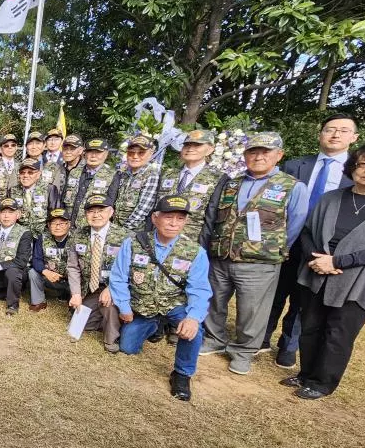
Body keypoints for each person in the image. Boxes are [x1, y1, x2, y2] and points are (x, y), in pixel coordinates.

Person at [202, 132, 308, 375]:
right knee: (214, 301)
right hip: (222, 256)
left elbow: (295, 224)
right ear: (245, 154)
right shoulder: (231, 183)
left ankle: (243, 351)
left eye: (265, 152)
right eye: (253, 151)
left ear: (279, 155)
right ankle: (215, 338)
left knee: (252, 309)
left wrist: (271, 250)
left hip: (259, 263)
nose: (258, 156)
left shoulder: (292, 186)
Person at [282, 142, 365, 400]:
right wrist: (316, 258)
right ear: (352, 167)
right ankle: (305, 374)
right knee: (310, 326)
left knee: (338, 333)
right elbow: (308, 230)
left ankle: (322, 383)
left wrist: (338, 262)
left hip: (357, 281)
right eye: (363, 164)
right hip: (316, 272)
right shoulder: (331, 198)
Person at [264, 113, 359, 368]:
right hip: (285, 239)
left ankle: (288, 345)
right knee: (273, 291)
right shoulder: (295, 166)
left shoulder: (355, 174)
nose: (335, 135)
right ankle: (261, 337)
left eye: (343, 130)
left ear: (354, 137)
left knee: (303, 298)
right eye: (330, 129)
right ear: (320, 134)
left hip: (323, 248)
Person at [110, 195, 213, 401]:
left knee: (194, 330)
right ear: (155, 218)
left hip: (174, 305)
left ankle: (182, 374)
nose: (174, 223)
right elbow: (118, 277)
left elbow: (200, 290)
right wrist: (124, 307)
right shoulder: (134, 243)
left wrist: (193, 317)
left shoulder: (195, 252)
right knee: (127, 347)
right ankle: (156, 326)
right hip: (144, 306)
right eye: (168, 217)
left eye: (180, 219)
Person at [67, 195, 127, 353]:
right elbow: (73, 267)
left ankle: (111, 339)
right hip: (92, 288)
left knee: (108, 304)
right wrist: (76, 294)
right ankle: (106, 316)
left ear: (111, 212)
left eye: (101, 210)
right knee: (80, 325)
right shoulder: (78, 234)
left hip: (116, 286)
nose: (96, 215)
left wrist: (112, 288)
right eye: (91, 211)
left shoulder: (125, 237)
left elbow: (130, 270)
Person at [155, 128, 227, 247]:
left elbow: (212, 218)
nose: (190, 149)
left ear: (210, 149)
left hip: (190, 243)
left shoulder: (218, 178)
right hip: (159, 239)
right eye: (187, 145)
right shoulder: (167, 174)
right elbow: (155, 208)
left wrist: (202, 247)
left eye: (197, 145)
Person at [64, 138, 118, 228]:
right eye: (90, 152)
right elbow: (65, 198)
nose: (93, 156)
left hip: (92, 228)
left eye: (98, 152)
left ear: (106, 154)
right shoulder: (74, 172)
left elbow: (111, 206)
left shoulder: (112, 175)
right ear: (84, 153)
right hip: (69, 226)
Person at [112, 134, 161, 231]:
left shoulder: (151, 175)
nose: (135, 156)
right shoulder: (123, 173)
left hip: (133, 231)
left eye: (141, 153)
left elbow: (143, 209)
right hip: (115, 227)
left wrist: (123, 230)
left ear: (150, 153)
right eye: (131, 153)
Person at [30, 208, 72, 311]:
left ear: (68, 224)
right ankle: (38, 301)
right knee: (32, 272)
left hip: (72, 280)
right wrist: (46, 272)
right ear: (48, 225)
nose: (57, 227)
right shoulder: (43, 238)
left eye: (62, 223)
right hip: (50, 277)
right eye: (53, 223)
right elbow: (36, 259)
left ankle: (71, 297)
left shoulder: (77, 238)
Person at [14, 158, 60, 237]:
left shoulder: (49, 189)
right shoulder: (12, 191)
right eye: (22, 172)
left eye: (30, 172)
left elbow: (54, 215)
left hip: (43, 235)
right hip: (20, 235)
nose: (26, 175)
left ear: (38, 174)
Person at [0, 133, 21, 207]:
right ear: (0, 149)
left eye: (13, 145)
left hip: (15, 206)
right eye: (6, 145)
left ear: (16, 147)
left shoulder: (21, 166)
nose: (10, 147)